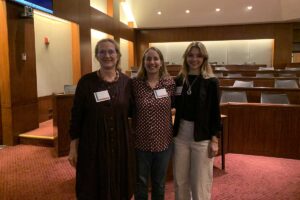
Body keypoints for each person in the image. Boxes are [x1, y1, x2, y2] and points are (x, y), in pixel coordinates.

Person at [68, 38, 135, 200]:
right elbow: (76, 116)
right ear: (97, 56)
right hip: (93, 144)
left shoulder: (127, 83)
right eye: (102, 52)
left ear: (118, 55)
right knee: (92, 184)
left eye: (111, 51)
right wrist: (73, 147)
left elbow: (135, 113)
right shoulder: (86, 82)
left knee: (120, 183)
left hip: (120, 144)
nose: (107, 55)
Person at [173, 41, 221, 200]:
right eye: (191, 55)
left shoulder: (211, 82)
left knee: (200, 181)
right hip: (180, 135)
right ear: (185, 57)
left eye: (198, 56)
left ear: (204, 58)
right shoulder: (179, 79)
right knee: (180, 180)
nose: (194, 59)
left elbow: (215, 112)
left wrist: (215, 139)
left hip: (202, 136)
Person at [131, 47, 175, 200]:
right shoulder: (135, 84)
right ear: (143, 62)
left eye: (156, 59)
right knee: (141, 182)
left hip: (163, 142)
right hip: (141, 143)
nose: (152, 62)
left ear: (161, 62)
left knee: (159, 183)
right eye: (148, 59)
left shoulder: (170, 83)